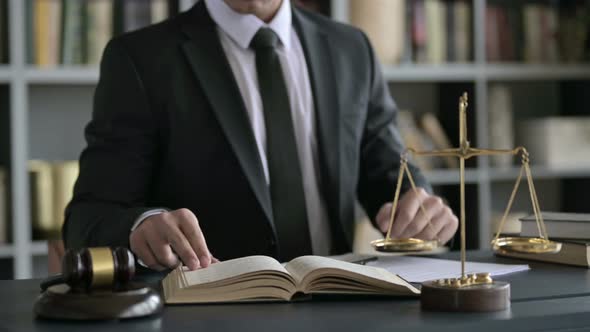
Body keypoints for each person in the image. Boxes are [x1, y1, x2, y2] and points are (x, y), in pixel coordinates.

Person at [63, 0, 458, 271]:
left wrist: (421, 212)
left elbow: (390, 176)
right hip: (208, 319)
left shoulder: (351, 49)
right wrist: (142, 225)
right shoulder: (140, 58)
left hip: (339, 307)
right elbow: (88, 218)